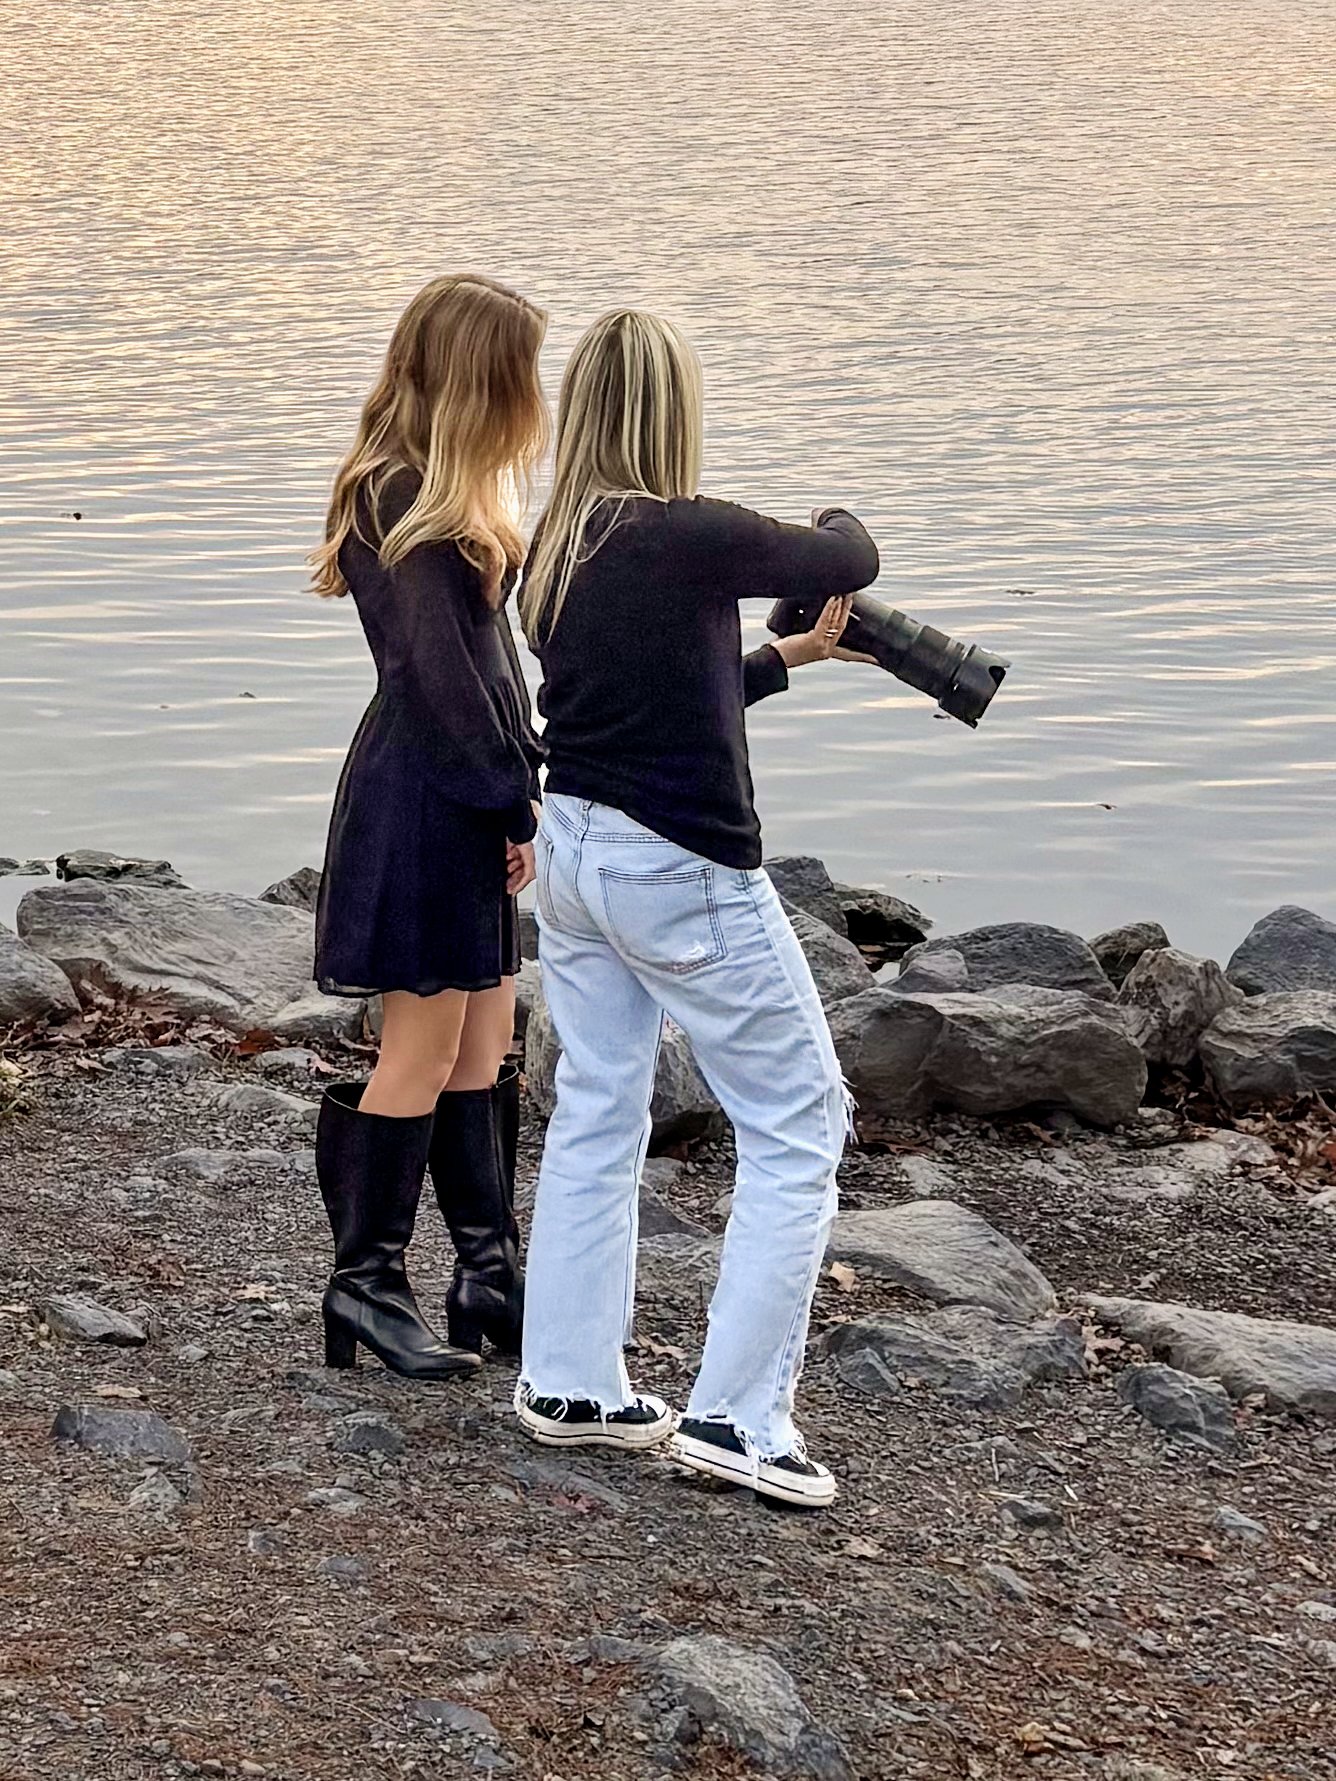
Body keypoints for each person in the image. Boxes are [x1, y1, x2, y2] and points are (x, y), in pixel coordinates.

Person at [514, 309, 880, 1507]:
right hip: (683, 872)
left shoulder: (557, 542)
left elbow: (656, 693)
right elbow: (846, 553)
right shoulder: (691, 533)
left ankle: (569, 1380)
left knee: (598, 1106)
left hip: (574, 854)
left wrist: (785, 663)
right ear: (673, 409)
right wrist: (828, 510)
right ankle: (736, 1417)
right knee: (799, 1121)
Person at [309, 273, 548, 1380]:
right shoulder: (397, 496)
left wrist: (516, 792)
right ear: (476, 381)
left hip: (465, 794)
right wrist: (508, 798)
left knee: (483, 1044)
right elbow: (439, 682)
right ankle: (365, 1284)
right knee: (420, 1046)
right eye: (517, 375)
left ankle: (488, 1272)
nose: (531, 396)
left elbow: (488, 675)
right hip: (424, 800)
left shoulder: (449, 498)